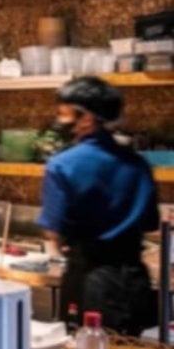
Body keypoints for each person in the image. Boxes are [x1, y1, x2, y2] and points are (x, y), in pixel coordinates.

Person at [37, 76, 159, 335]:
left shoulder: (62, 164)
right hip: (136, 280)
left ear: (87, 117)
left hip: (90, 281)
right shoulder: (138, 164)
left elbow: (53, 232)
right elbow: (150, 222)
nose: (61, 120)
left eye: (65, 112)